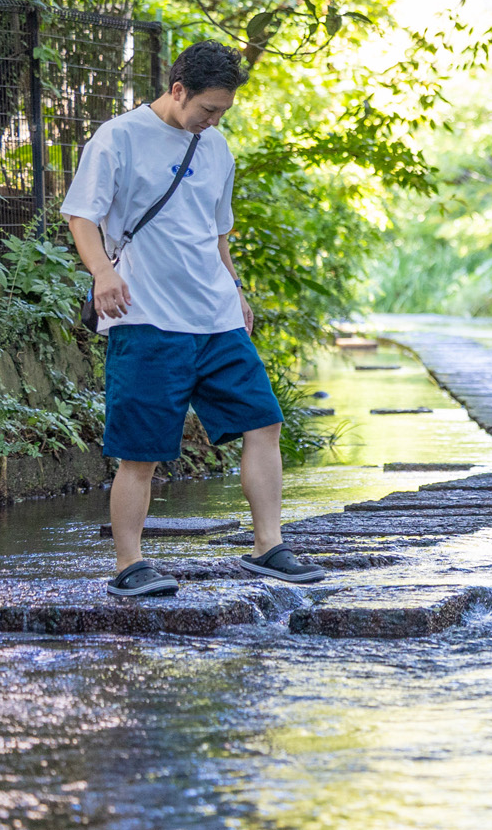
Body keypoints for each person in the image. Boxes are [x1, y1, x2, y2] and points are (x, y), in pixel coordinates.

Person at [64, 41, 325, 597]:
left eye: (222, 112)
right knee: (141, 451)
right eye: (207, 109)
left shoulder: (217, 146)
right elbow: (81, 215)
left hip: (215, 317)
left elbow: (217, 229)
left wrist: (235, 287)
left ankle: (268, 546)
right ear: (178, 90)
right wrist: (103, 274)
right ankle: (129, 565)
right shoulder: (119, 137)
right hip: (147, 317)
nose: (212, 120)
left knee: (264, 422)